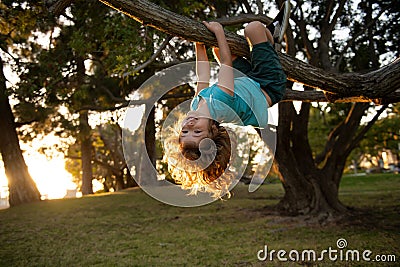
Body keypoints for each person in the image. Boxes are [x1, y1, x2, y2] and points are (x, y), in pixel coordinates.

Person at [165, 1, 290, 198]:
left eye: (185, 131)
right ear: (212, 130)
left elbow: (202, 76)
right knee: (253, 28)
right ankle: (272, 39)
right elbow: (224, 64)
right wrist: (218, 31)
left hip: (247, 82)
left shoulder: (196, 106)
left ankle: (264, 47)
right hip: (268, 85)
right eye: (197, 131)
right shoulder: (222, 103)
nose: (190, 124)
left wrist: (199, 45)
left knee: (215, 50)